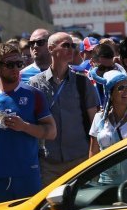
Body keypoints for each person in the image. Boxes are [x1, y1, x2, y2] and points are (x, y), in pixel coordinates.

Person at [0, 43, 56, 205]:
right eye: (10, 65)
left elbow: (52, 131)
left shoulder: (34, 95)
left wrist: (24, 126)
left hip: (28, 174)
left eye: (19, 64)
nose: (15, 69)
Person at [29, 32, 99, 185]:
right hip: (48, 163)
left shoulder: (83, 82)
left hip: (79, 160)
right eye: (66, 45)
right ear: (51, 49)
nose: (71, 49)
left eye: (73, 46)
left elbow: (95, 123)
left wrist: (94, 157)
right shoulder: (34, 84)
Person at [88, 71, 127, 182]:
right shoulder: (99, 118)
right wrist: (92, 183)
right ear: (110, 94)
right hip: (105, 184)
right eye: (121, 87)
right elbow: (94, 153)